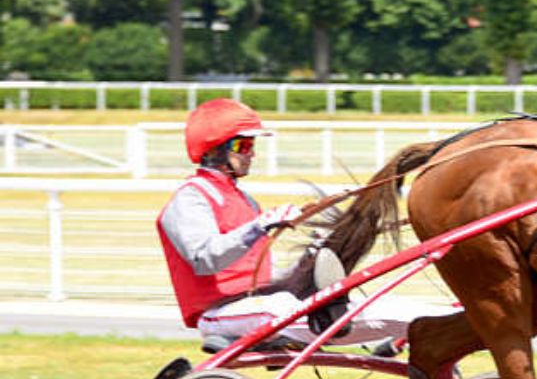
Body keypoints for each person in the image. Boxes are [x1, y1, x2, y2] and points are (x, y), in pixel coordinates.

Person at [156, 98, 409, 351]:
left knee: (314, 302)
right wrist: (260, 226)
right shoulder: (191, 197)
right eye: (242, 145)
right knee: (285, 307)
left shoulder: (245, 201)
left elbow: (265, 275)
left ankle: (407, 330)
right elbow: (205, 259)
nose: (252, 153)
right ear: (213, 150)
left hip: (258, 304)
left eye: (252, 145)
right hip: (220, 313)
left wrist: (311, 257)